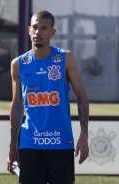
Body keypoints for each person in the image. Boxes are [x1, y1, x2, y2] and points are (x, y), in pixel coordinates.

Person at [7, 10, 89, 184]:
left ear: (52, 32)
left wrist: (84, 134)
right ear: (29, 30)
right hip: (30, 144)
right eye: (35, 28)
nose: (38, 32)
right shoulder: (18, 64)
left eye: (44, 28)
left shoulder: (65, 58)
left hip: (61, 143)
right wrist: (13, 146)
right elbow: (16, 105)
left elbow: (82, 97)